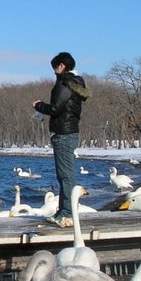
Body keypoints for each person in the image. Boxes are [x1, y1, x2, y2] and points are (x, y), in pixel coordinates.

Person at [33, 52, 89, 227]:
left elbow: (56, 108)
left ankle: (67, 213)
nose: (54, 71)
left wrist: (39, 105)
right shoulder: (75, 84)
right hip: (70, 132)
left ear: (61, 66)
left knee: (65, 175)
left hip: (63, 133)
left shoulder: (64, 84)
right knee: (65, 174)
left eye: (55, 68)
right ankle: (63, 211)